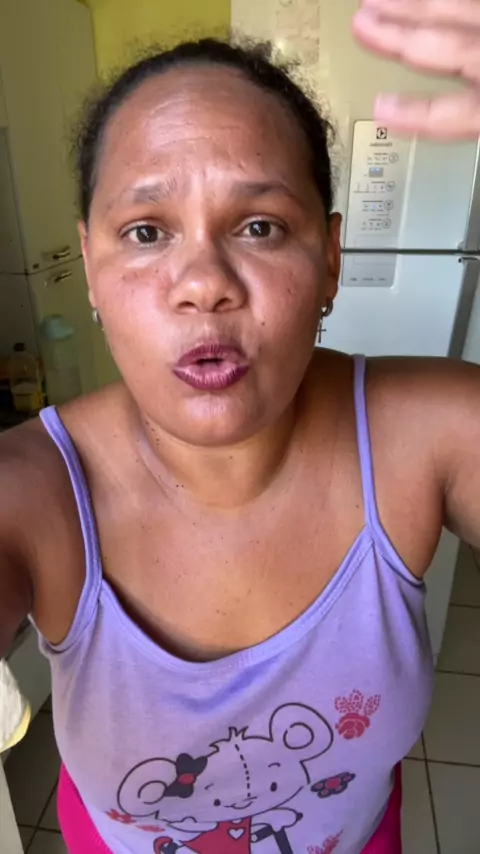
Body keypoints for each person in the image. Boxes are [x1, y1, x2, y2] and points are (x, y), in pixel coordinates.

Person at [2, 1, 480, 852]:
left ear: (328, 260)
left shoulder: (432, 431)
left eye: (259, 226)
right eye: (146, 232)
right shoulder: (34, 488)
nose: (204, 283)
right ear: (93, 271)